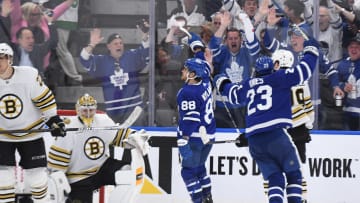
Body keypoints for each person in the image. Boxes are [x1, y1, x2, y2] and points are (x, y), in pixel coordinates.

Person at [214, 38, 319, 203]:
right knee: (294, 175)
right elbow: (304, 70)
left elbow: (232, 94)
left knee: (275, 178)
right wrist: (311, 49)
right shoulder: (279, 77)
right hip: (277, 136)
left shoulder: (248, 84)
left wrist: (220, 80)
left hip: (255, 140)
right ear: (273, 68)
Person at [47, 93, 149, 203]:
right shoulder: (68, 127)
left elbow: (119, 136)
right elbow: (56, 166)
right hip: (78, 177)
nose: (88, 114)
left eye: (91, 110)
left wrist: (133, 137)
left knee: (127, 173)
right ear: (77, 110)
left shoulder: (103, 120)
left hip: (101, 167)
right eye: (84, 111)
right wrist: (61, 184)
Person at [0, 42, 66, 202]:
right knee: (3, 178)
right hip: (2, 136)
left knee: (37, 179)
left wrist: (54, 120)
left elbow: (45, 100)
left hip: (30, 133)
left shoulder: (28, 76)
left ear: (10, 59)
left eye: (2, 58)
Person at [266, 49, 314, 202]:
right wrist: (309, 126)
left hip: (281, 130)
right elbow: (308, 107)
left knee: (274, 170)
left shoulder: (274, 80)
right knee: (298, 170)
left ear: (278, 62)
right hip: (300, 129)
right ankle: (302, 199)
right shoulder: (301, 79)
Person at [79, 27, 149, 125]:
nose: (119, 45)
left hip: (133, 110)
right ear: (109, 46)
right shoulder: (102, 61)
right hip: (113, 112)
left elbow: (145, 53)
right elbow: (84, 59)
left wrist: (145, 36)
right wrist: (92, 44)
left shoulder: (131, 56)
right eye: (115, 43)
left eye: (121, 43)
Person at [177, 58, 215, 203]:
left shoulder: (187, 92)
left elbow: (191, 117)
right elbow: (206, 71)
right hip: (208, 136)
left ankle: (198, 200)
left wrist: (184, 138)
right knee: (199, 169)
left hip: (193, 138)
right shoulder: (205, 84)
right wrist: (197, 48)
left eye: (186, 69)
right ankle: (208, 198)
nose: (182, 70)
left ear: (192, 74)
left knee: (188, 172)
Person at [337, 35, 360, 130]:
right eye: (351, 47)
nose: (354, 49)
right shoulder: (342, 65)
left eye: (357, 47)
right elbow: (336, 83)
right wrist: (343, 87)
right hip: (348, 111)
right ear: (347, 49)